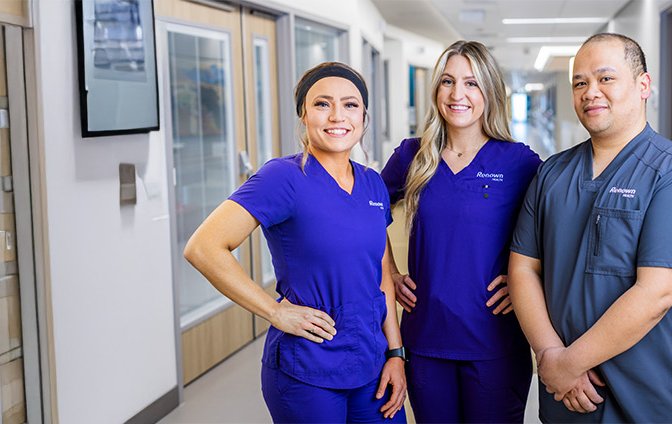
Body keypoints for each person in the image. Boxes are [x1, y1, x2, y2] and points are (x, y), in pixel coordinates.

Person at [508, 33, 672, 423]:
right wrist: (550, 355)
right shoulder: (552, 174)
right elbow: (523, 269)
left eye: (606, 78)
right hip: (564, 395)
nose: (591, 92)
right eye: (580, 82)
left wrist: (570, 363)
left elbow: (658, 294)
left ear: (643, 86)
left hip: (640, 395)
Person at [184, 62, 407, 423]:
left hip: (372, 363)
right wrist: (274, 312)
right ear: (304, 114)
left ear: (364, 116)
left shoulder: (372, 184)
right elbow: (203, 247)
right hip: (307, 370)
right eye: (322, 104)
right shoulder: (284, 177)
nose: (337, 115)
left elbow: (381, 274)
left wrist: (395, 353)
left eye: (350, 105)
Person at [381, 40, 542, 423]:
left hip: (495, 342)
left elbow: (559, 227)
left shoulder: (519, 162)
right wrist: (389, 272)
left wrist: (533, 280)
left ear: (488, 90)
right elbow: (365, 212)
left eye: (471, 83)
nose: (457, 94)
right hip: (425, 340)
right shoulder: (412, 155)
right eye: (448, 81)